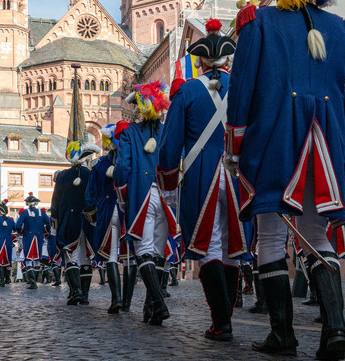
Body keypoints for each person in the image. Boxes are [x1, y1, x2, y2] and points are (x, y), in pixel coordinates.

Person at [226, 0, 345, 361]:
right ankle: (334, 329)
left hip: (275, 137)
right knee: (318, 236)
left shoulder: (257, 22)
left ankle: (283, 335)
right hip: (326, 139)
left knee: (271, 234)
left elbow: (242, 91)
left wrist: (235, 145)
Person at [159, 19, 244, 340]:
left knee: (210, 246)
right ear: (226, 60)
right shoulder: (242, 88)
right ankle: (227, 312)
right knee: (233, 246)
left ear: (202, 61)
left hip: (201, 176)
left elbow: (169, 147)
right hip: (239, 177)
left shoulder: (188, 90)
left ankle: (221, 321)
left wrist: (168, 185)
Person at [114, 81, 176, 326]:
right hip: (166, 195)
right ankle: (151, 309)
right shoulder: (167, 129)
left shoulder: (129, 132)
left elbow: (121, 169)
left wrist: (123, 195)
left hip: (142, 195)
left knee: (143, 250)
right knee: (159, 253)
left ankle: (159, 304)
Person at [51, 139, 99, 305]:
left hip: (68, 220)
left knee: (69, 257)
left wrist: (54, 225)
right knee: (86, 259)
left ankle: (76, 291)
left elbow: (55, 203)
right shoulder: (91, 174)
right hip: (88, 220)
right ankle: (84, 295)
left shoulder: (62, 176)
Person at [86, 123, 127, 314]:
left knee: (111, 255)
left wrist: (92, 216)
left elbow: (90, 194)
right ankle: (126, 301)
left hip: (107, 211)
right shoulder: (130, 159)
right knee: (131, 257)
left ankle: (117, 299)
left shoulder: (99, 164)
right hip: (129, 210)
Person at [14, 193, 47, 289]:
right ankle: (35, 281)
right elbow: (48, 223)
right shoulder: (42, 212)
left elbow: (18, 225)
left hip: (28, 237)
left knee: (28, 259)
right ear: (35, 203)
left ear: (28, 203)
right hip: (39, 237)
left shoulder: (24, 213)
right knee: (37, 259)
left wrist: (20, 232)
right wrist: (44, 232)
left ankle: (33, 283)